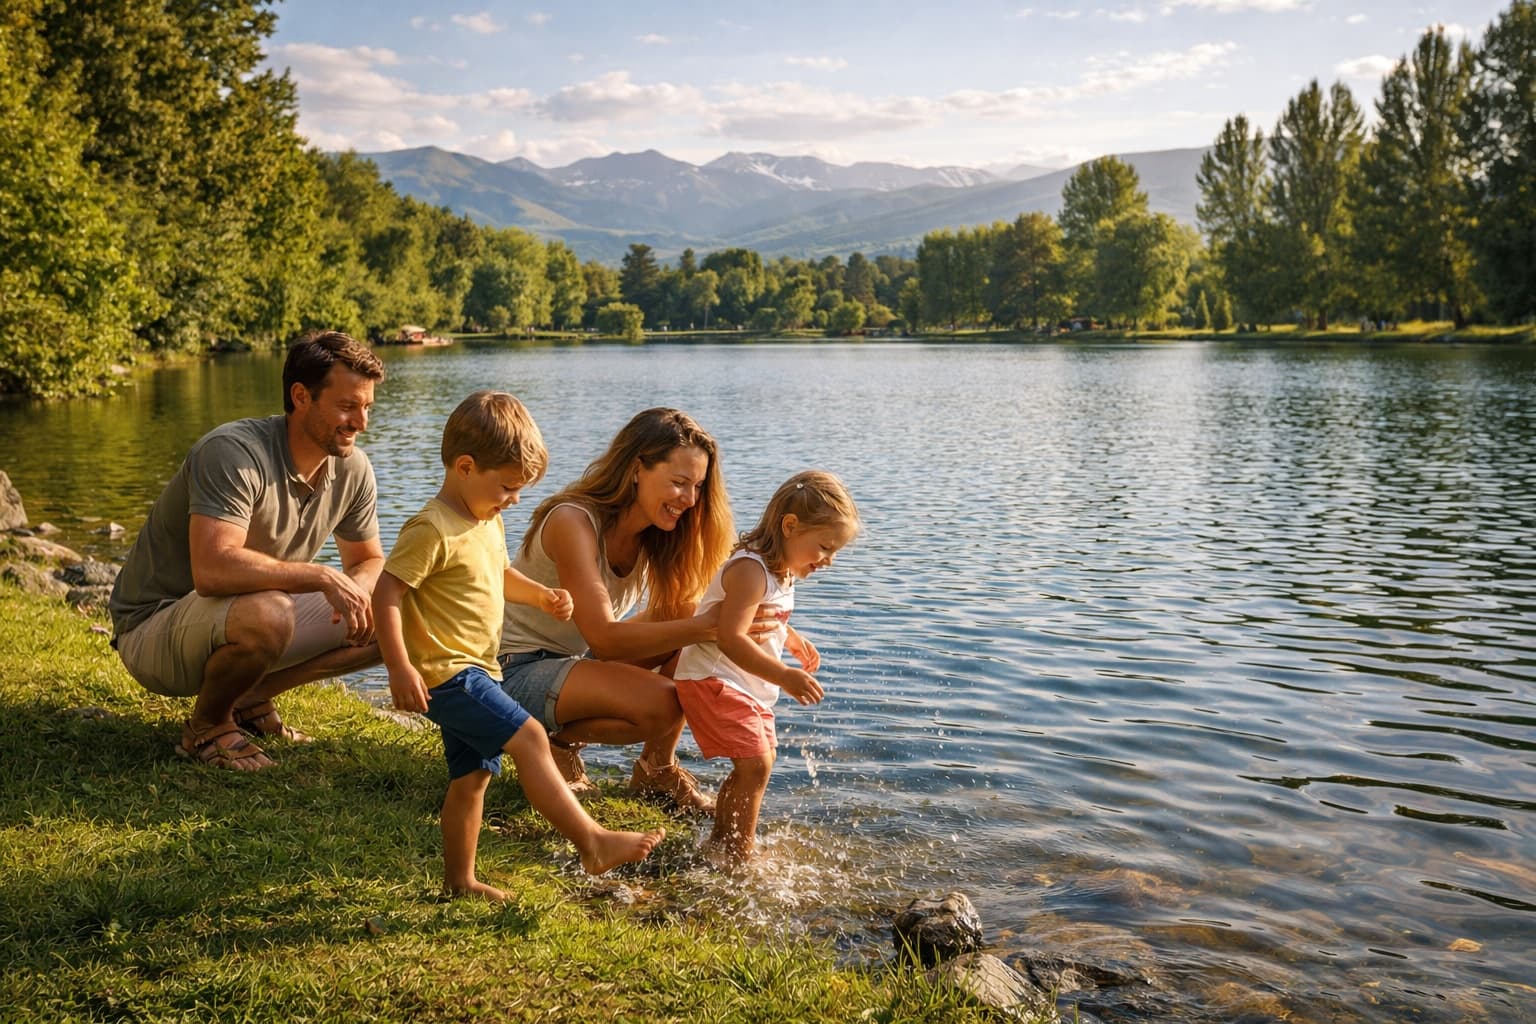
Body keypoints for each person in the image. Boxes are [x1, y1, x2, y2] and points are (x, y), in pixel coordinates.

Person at [373, 391, 665, 898]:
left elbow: (498, 574)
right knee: (530, 737)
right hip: (447, 673)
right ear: (466, 467)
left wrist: (542, 596)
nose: (514, 499)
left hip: (480, 668)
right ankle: (592, 842)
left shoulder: (485, 519)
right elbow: (386, 593)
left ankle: (460, 881)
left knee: (472, 779)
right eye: (508, 486)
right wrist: (400, 667)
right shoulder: (432, 528)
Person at [108, 330, 388, 771]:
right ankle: (208, 726)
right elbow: (213, 569)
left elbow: (369, 560)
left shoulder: (352, 468)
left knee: (403, 610)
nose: (361, 422)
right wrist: (322, 576)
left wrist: (357, 590)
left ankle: (250, 698)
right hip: (153, 628)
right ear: (301, 396)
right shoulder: (234, 453)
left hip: (248, 613)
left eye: (367, 406)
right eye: (347, 406)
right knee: (269, 612)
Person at [498, 407, 773, 815]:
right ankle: (558, 745)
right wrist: (705, 626)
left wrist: (759, 625)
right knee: (665, 703)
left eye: (698, 486)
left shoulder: (654, 535)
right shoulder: (573, 521)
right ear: (636, 468)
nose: (690, 500)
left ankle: (655, 768)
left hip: (573, 660)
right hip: (512, 671)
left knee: (689, 611)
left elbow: (705, 611)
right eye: (678, 483)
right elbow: (605, 639)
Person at [673, 471, 860, 867]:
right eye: (825, 547)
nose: (829, 561)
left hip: (740, 682)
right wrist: (784, 675)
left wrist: (789, 637)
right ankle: (738, 855)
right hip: (714, 678)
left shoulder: (780, 571)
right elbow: (730, 637)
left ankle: (722, 844)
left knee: (758, 763)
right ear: (790, 526)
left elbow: (762, 614)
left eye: (835, 552)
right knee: (755, 764)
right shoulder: (750, 570)